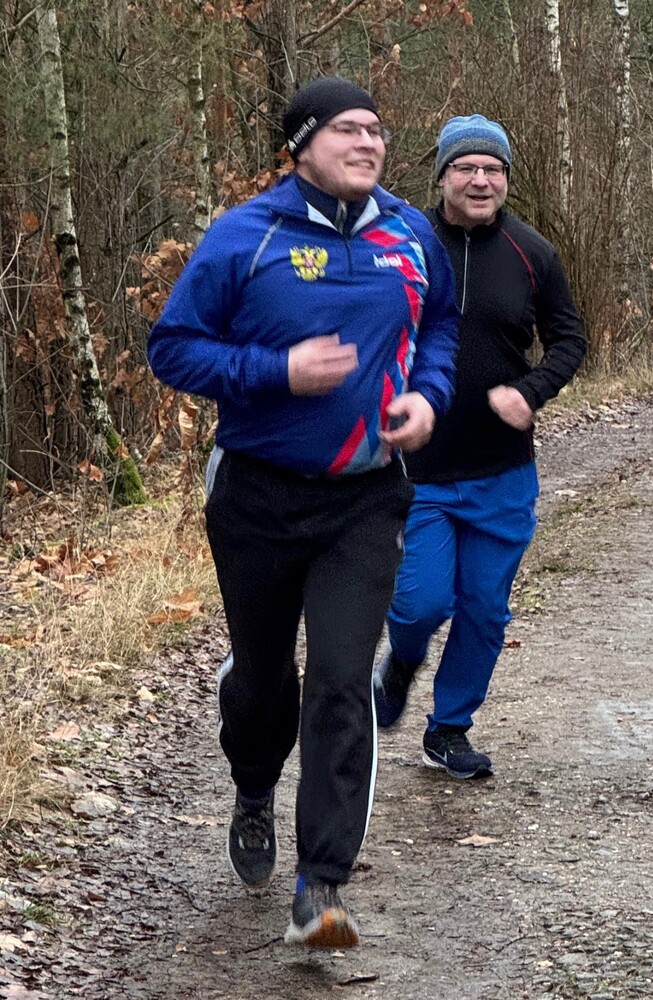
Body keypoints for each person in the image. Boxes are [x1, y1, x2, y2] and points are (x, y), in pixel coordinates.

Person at [147, 76, 459, 946]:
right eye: (347, 129)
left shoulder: (411, 233)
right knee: (262, 683)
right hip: (257, 492)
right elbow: (172, 348)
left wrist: (428, 396)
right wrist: (275, 372)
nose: (368, 143)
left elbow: (440, 326)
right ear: (301, 146)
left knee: (340, 679)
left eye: (377, 130)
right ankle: (253, 788)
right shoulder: (244, 236)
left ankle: (321, 885)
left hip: (365, 496)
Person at [372, 114, 586, 778]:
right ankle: (402, 660)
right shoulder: (403, 244)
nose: (480, 180)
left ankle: (449, 729)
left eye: (493, 169)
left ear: (506, 179)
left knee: (485, 609)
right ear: (441, 176)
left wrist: (532, 391)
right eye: (465, 168)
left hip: (501, 472)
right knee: (422, 603)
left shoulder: (532, 252)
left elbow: (570, 339)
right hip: (417, 471)